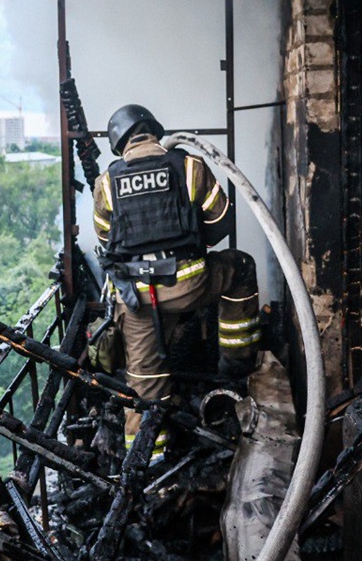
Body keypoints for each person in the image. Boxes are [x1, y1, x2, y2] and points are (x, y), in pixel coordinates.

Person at [93, 104, 261, 462]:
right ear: (153, 131)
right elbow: (222, 221)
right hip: (190, 285)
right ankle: (236, 365)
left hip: (137, 300)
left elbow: (107, 241)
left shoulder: (106, 183)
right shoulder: (187, 166)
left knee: (144, 387)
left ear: (119, 144)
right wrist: (192, 241)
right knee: (241, 267)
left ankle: (148, 467)